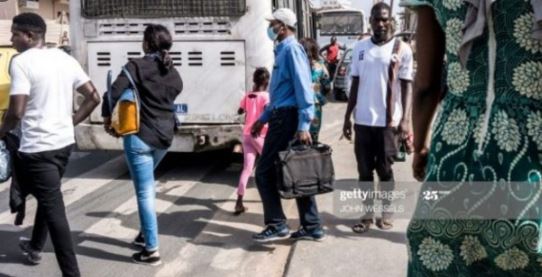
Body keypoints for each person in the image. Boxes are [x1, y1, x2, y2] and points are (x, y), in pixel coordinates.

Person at [401, 0, 542, 275]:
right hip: (530, 155)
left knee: (439, 254)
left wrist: (420, 147)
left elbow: (426, 85)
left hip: (455, 152)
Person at [6, 12, 100, 277]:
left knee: (53, 210)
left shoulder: (21, 62)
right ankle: (36, 246)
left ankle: (72, 274)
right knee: (48, 198)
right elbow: (94, 97)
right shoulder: (64, 58)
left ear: (30, 36)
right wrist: (70, 123)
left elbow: (16, 112)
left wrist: (1, 132)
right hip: (63, 145)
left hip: (38, 149)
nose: (11, 39)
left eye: (15, 34)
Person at [102, 24, 183, 266]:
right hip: (165, 137)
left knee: (145, 192)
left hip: (139, 137)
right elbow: (177, 88)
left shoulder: (135, 66)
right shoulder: (171, 71)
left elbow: (112, 94)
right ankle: (145, 235)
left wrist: (108, 118)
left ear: (147, 43)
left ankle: (152, 250)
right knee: (148, 187)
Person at [251, 8, 324, 242]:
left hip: (288, 119)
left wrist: (304, 124)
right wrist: (261, 120)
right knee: (296, 172)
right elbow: (280, 93)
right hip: (281, 116)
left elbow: (304, 90)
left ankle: (276, 224)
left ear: (282, 27)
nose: (270, 28)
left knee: (264, 172)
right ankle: (312, 226)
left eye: (273, 24)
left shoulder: (292, 50)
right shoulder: (282, 50)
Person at [342, 2, 413, 234]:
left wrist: (405, 120)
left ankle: (387, 212)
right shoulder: (360, 47)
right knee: (363, 172)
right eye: (376, 19)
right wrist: (347, 117)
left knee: (385, 171)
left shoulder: (401, 48)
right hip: (363, 121)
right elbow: (355, 84)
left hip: (387, 123)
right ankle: (366, 215)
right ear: (370, 21)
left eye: (384, 19)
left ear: (390, 21)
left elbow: (407, 87)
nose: (380, 24)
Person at [234, 67, 270, 215]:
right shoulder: (266, 96)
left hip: (247, 135)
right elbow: (269, 113)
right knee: (271, 163)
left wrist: (249, 107)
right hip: (260, 135)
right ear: (267, 81)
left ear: (255, 80)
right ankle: (274, 194)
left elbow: (239, 111)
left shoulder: (249, 96)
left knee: (247, 169)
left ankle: (239, 202)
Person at [300, 38, 330, 143]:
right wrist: (317, 92)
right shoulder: (320, 65)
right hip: (315, 104)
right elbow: (327, 85)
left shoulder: (297, 64)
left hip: (298, 104)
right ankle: (313, 156)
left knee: (298, 137)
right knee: (314, 135)